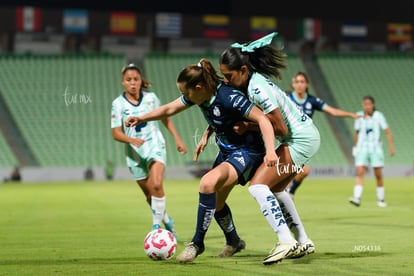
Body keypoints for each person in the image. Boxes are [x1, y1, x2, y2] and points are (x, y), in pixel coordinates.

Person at [125, 58, 278, 263]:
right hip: (226, 151)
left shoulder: (228, 97)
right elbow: (170, 109)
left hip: (248, 151)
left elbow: (263, 119)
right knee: (216, 202)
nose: (185, 98)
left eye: (187, 93)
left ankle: (197, 243)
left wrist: (270, 151)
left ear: (198, 87)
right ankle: (233, 241)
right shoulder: (201, 96)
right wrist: (142, 118)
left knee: (207, 183)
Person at [219, 32, 321, 264]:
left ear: (243, 71)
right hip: (307, 136)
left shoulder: (256, 89)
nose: (225, 80)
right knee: (276, 189)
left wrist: (248, 126)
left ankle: (285, 240)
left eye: (228, 75)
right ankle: (303, 240)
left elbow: (281, 128)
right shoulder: (253, 82)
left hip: (300, 140)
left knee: (257, 186)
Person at [111, 63, 188, 238]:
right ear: (123, 82)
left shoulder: (151, 98)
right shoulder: (118, 104)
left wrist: (177, 138)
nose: (133, 83)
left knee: (156, 184)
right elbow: (115, 133)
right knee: (149, 195)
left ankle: (155, 228)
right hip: (134, 153)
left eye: (136, 79)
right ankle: (167, 220)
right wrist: (131, 139)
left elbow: (165, 117)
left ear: (141, 81)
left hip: (154, 145)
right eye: (128, 80)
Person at [286, 71, 360, 198]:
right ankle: (285, 196)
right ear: (293, 84)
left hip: (304, 142)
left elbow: (332, 111)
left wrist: (350, 114)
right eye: (297, 82)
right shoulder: (286, 98)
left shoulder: (312, 100)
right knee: (287, 172)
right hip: (289, 140)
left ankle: (290, 193)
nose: (299, 84)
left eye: (302, 82)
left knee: (305, 171)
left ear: (307, 84)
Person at [349, 95, 394, 207]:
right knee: (360, 172)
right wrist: (354, 147)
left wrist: (391, 146)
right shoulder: (359, 116)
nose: (367, 106)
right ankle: (357, 198)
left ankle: (381, 199)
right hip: (362, 148)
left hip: (375, 148)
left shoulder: (379, 116)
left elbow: (387, 131)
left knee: (378, 174)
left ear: (373, 105)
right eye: (365, 104)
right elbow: (357, 133)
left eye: (369, 104)